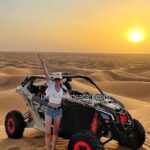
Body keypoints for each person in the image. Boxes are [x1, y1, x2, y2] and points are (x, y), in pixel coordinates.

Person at [38, 54, 82, 150]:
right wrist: (43, 63)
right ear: (54, 80)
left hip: (58, 112)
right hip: (49, 111)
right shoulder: (50, 85)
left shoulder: (63, 89)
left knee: (56, 132)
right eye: (56, 79)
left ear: (60, 80)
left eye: (58, 79)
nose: (57, 81)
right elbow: (46, 74)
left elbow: (69, 98)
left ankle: (53, 148)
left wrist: (80, 102)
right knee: (48, 133)